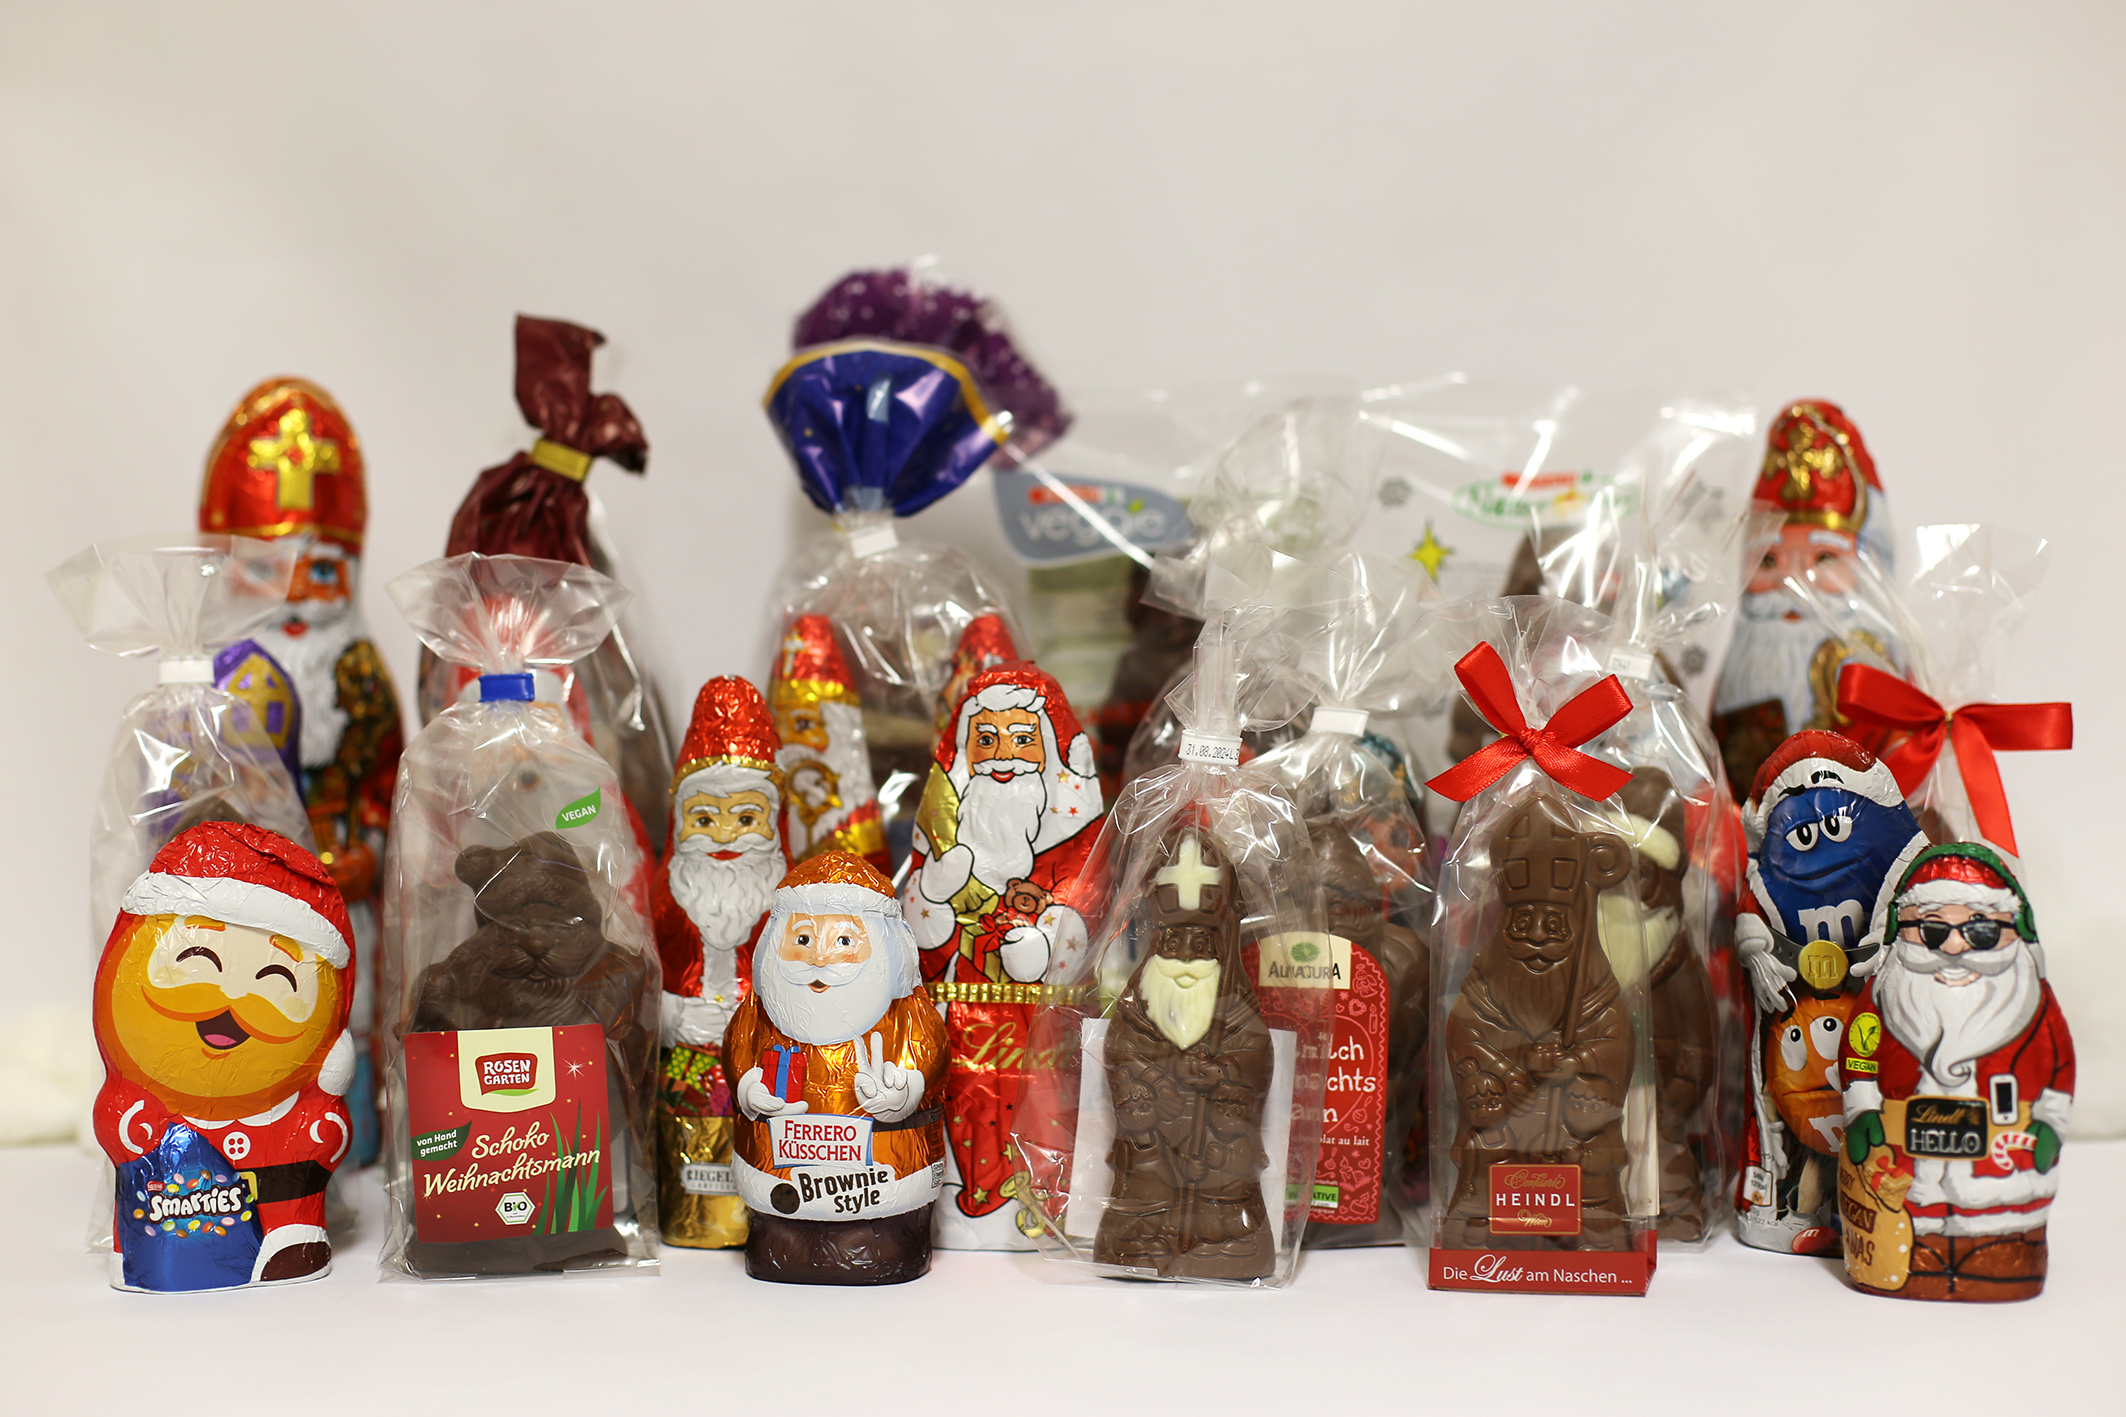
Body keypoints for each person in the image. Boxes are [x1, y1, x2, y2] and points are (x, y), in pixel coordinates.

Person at [199, 377, 401, 1166]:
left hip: (344, 882)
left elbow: (385, 781)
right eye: (267, 570)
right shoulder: (214, 682)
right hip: (244, 896)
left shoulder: (360, 674)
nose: (294, 600)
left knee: (349, 1005)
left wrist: (370, 854)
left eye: (319, 572)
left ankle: (349, 1140)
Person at [92, 822, 355, 1291]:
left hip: (278, 1178)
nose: (233, 998)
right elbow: (118, 1127)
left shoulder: (292, 1100)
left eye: (277, 979)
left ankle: (287, 1238)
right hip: (162, 1226)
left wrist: (321, 1099)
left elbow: (323, 1141)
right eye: (198, 961)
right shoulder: (145, 1108)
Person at [902, 662, 1106, 1247]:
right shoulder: (944, 836)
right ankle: (967, 1208)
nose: (1003, 758)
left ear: (1048, 750)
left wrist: (1046, 944)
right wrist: (933, 896)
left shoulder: (1073, 840)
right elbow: (916, 931)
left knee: (1045, 1111)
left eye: (1022, 739)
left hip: (1043, 1026)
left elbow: (1089, 911)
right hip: (961, 1021)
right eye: (986, 740)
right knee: (961, 1111)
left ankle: (1041, 1209)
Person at [1840, 844, 2074, 1301]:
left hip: (2001, 1157)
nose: (1953, 947)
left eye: (1981, 932)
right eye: (1931, 930)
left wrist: (2050, 1121)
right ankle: (1911, 1263)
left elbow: (2060, 1064)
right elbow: (1859, 1052)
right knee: (1905, 1227)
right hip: (1901, 1160)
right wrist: (1863, 1107)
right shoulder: (1886, 994)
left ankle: (1997, 1263)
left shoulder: (2032, 999)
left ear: (2014, 928)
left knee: (1999, 1242)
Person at [723, 852, 948, 1284]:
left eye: (844, 941)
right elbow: (738, 1050)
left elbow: (930, 1054)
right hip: (778, 1174)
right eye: (803, 939)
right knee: (781, 1243)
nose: (819, 959)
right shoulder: (761, 1010)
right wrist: (749, 1087)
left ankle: (884, 1246)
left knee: (878, 1243)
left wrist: (905, 1090)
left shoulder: (905, 1009)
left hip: (883, 1178)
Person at [1095, 830, 1276, 1281]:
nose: (1186, 963)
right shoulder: (1139, 1007)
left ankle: (1223, 1247)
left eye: (1201, 948)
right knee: (1145, 1183)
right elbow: (1121, 1052)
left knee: (1223, 1182)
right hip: (1154, 1141)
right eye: (1173, 947)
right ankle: (1139, 1247)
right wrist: (1159, 1080)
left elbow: (1255, 1052)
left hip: (1215, 1146)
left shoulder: (1234, 1008)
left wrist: (1222, 1073)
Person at [651, 676, 789, 1247]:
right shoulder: (662, 898)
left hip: (770, 1066)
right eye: (705, 819)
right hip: (685, 1066)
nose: (725, 835)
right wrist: (672, 1016)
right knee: (685, 1150)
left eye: (746, 818)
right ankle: (692, 1218)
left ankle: (774, 1222)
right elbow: (631, 981)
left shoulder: (790, 901)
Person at [1711, 400, 1899, 802]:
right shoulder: (1731, 675)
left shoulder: (1884, 675)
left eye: (1824, 558)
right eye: (1769, 560)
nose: (1793, 584)